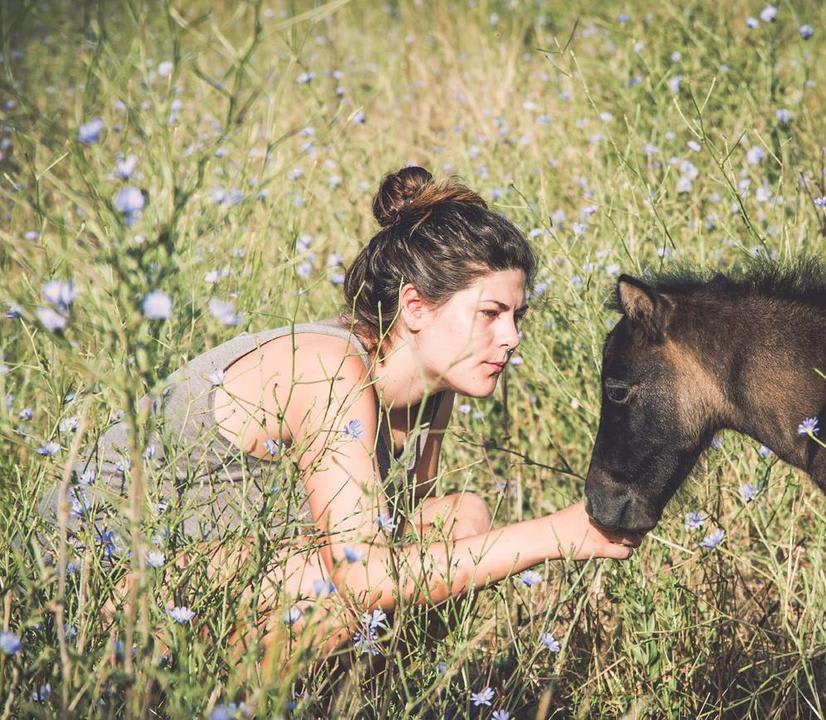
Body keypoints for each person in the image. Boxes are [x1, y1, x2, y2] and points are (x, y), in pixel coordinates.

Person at [46, 166, 642, 666]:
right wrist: (556, 535)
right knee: (333, 586)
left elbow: (405, 526)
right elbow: (360, 576)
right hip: (92, 583)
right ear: (415, 306)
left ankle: (364, 697)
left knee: (462, 517)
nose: (511, 337)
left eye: (517, 316)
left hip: (226, 567)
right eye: (490, 313)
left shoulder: (436, 386)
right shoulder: (330, 370)